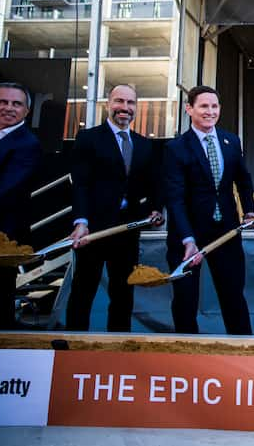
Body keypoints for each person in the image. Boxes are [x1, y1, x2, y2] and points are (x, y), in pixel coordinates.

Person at [163, 85, 254, 334]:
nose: (210, 111)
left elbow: (244, 179)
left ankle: (243, 350)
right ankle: (187, 355)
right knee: (185, 300)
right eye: (204, 106)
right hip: (187, 236)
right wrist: (187, 239)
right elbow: (174, 198)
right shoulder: (176, 148)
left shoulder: (230, 141)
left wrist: (249, 210)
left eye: (214, 106)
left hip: (226, 233)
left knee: (233, 296)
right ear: (189, 109)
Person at [66, 84, 163, 332]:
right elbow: (81, 184)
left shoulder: (144, 145)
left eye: (130, 103)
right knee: (83, 290)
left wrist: (155, 208)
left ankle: (117, 346)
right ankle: (73, 345)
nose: (125, 108)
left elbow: (153, 185)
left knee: (123, 293)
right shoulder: (89, 138)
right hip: (94, 229)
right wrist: (81, 221)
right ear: (108, 104)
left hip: (127, 229)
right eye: (119, 101)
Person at [0, 82, 42, 330]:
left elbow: (7, 191)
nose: (9, 108)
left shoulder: (28, 144)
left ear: (27, 111)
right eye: (3, 102)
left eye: (16, 104)